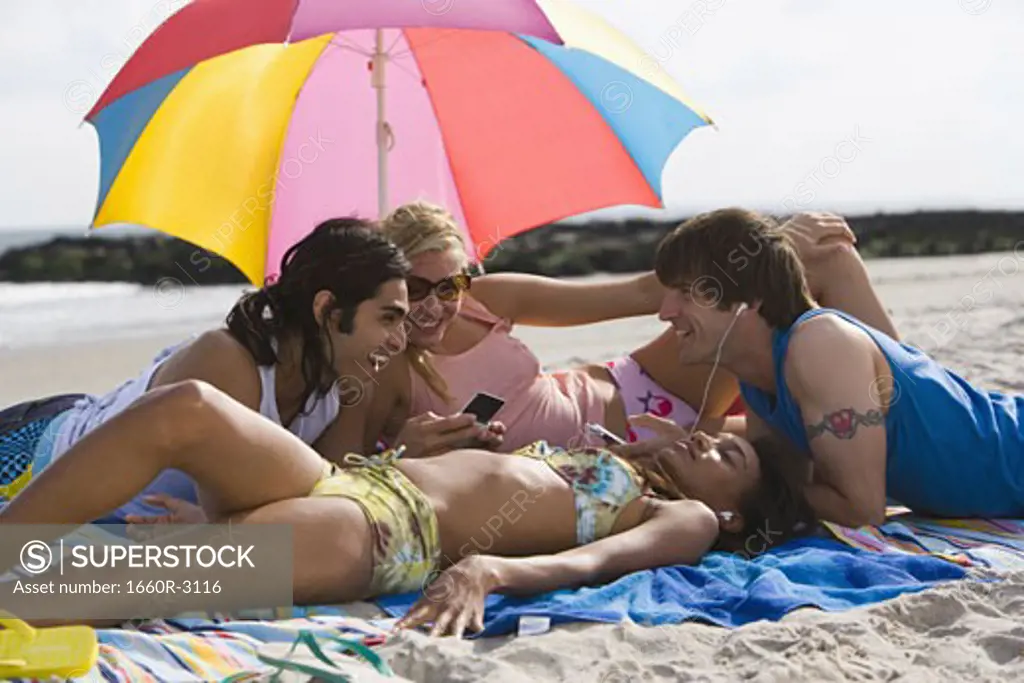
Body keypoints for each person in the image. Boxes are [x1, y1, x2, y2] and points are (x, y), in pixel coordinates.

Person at [0, 380, 814, 636]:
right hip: (344, 480)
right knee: (188, 406)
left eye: (728, 455)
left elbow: (594, 564)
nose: (707, 445)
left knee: (82, 584)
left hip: (381, 533)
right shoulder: (613, 461)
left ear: (738, 513)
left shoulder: (687, 522)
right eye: (714, 436)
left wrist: (488, 569)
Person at [371, 202, 891, 457]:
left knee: (823, 259)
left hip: (641, 386)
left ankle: (918, 399)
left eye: (451, 285)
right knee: (800, 440)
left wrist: (770, 243)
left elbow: (645, 292)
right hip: (633, 450)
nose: (436, 306)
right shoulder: (379, 364)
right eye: (415, 288)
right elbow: (348, 460)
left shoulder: (486, 300)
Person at [0, 219, 413, 523]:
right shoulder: (228, 363)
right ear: (326, 309)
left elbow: (329, 499)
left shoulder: (341, 386)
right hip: (31, 456)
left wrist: (403, 452)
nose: (398, 341)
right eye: (388, 318)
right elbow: (235, 517)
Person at [647, 206, 1024, 526]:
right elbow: (781, 483)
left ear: (752, 298)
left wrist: (734, 493)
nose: (666, 312)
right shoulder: (754, 378)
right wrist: (681, 458)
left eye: (688, 293)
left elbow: (861, 510)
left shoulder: (820, 345)